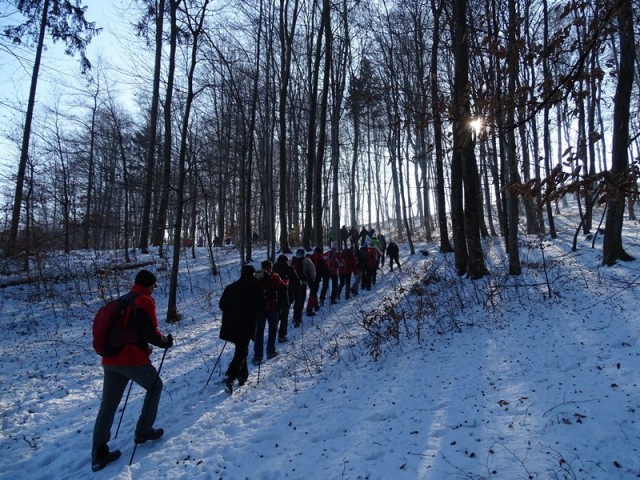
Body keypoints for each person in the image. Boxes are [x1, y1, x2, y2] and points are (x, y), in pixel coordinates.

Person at [92, 270, 173, 473]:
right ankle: (144, 430)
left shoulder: (124, 299)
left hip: (111, 358)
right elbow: (150, 332)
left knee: (108, 405)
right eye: (154, 286)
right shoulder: (144, 301)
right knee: (155, 386)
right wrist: (165, 341)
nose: (154, 290)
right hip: (130, 359)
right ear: (150, 285)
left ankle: (98, 454)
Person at [219, 265, 266, 395]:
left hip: (229, 325)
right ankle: (230, 376)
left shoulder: (231, 287)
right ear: (252, 274)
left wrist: (232, 312)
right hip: (245, 325)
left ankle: (243, 376)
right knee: (242, 351)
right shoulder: (255, 287)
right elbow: (263, 305)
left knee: (240, 348)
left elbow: (222, 305)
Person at [252, 260, 289, 365]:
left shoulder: (256, 276)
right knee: (272, 329)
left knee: (259, 332)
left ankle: (257, 357)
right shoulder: (274, 276)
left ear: (262, 266)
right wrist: (286, 280)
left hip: (259, 308)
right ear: (271, 267)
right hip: (272, 306)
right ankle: (270, 351)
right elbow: (283, 287)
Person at [272, 254, 300, 343]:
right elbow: (297, 281)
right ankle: (282, 335)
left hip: (274, 295)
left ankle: (272, 334)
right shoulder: (289, 268)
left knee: (275, 314)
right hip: (286, 294)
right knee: (284, 315)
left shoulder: (273, 268)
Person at [291, 248, 316, 325]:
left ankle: (295, 317)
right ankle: (298, 318)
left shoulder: (292, 260)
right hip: (303, 283)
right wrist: (312, 279)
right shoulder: (306, 260)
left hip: (293, 284)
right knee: (301, 300)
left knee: (296, 301)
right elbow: (312, 271)